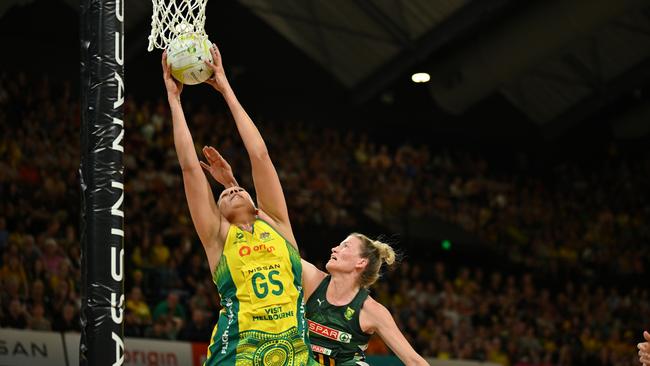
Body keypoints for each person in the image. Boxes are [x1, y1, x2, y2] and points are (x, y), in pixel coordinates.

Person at [161, 43, 316, 365]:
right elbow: (190, 168)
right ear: (216, 212)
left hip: (295, 354)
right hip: (237, 353)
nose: (232, 192)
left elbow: (259, 155)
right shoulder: (217, 238)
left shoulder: (277, 223)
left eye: (237, 190)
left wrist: (225, 88)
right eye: (224, 194)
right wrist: (174, 100)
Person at [201, 153, 428, 365]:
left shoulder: (372, 311)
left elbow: (415, 361)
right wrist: (232, 188)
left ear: (361, 263)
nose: (334, 248)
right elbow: (265, 249)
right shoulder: (312, 279)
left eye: (345, 246)